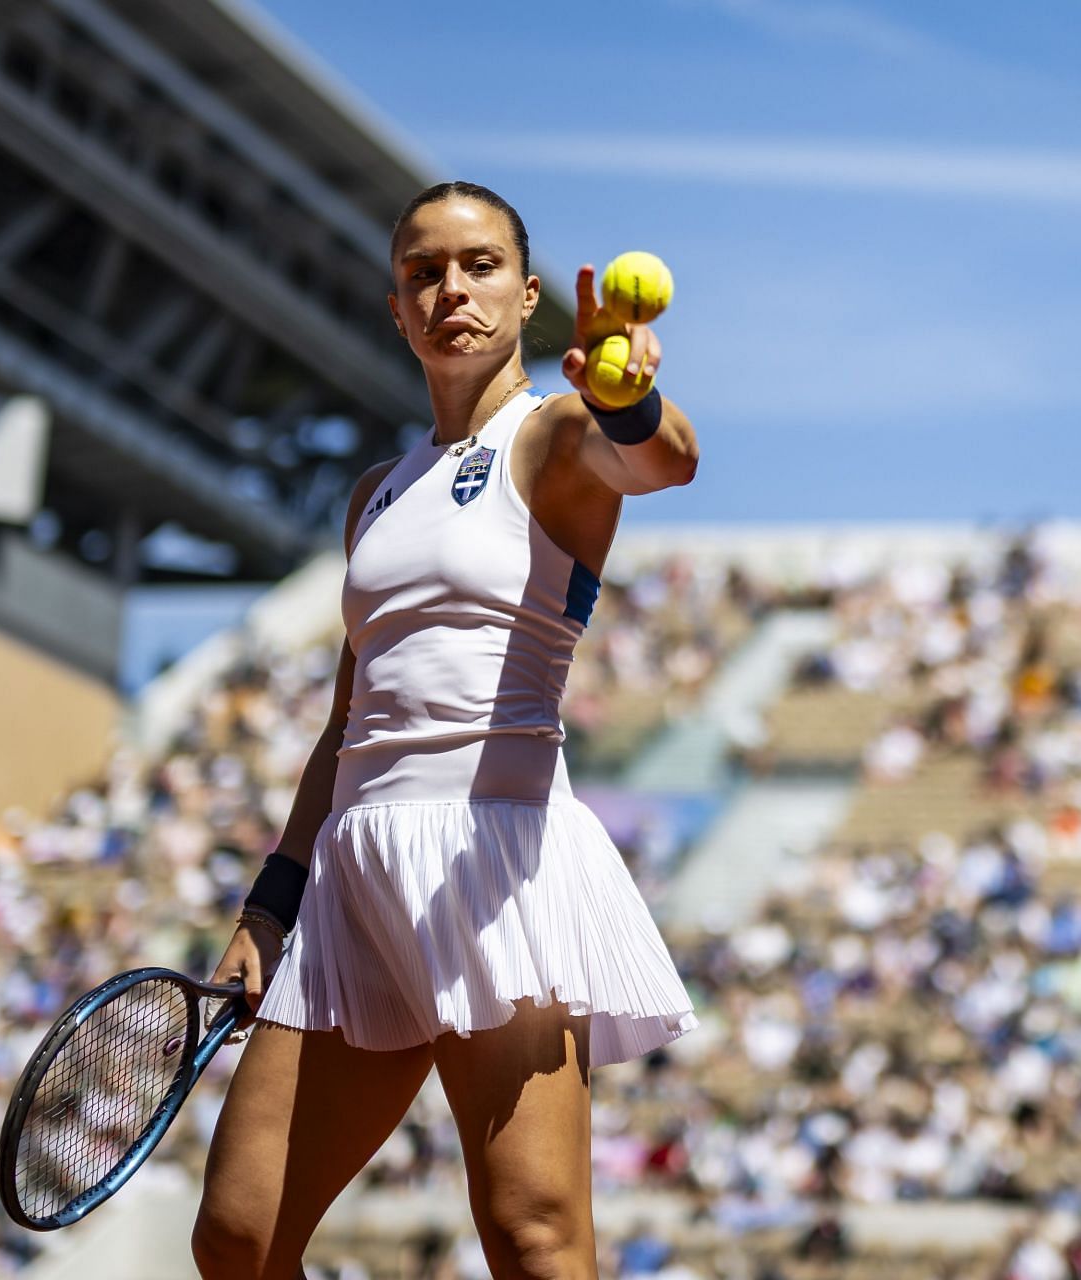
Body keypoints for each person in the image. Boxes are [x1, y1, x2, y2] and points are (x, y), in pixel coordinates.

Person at [190, 181, 701, 1280]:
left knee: (535, 1237)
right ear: (397, 308)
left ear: (527, 296)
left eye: (476, 265)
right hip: (353, 876)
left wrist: (625, 396)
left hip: (495, 862)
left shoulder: (558, 429)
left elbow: (662, 460)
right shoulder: (377, 490)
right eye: (423, 271)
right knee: (236, 1235)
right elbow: (346, 716)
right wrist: (272, 900)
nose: (449, 288)